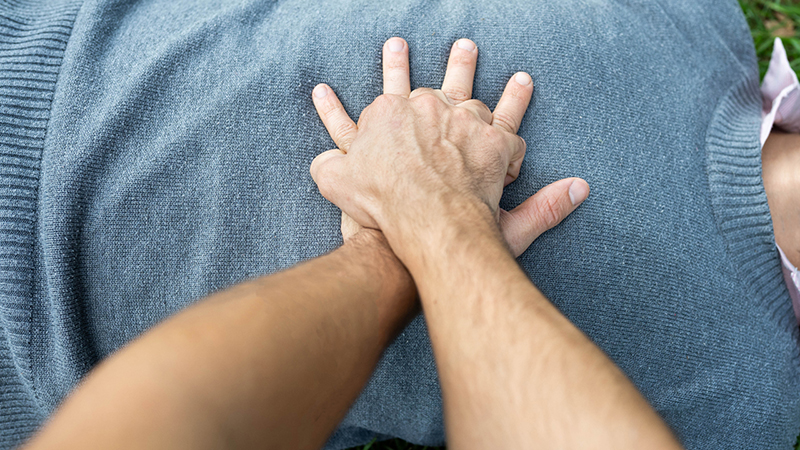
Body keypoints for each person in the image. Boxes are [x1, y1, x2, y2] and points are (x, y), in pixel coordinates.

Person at [0, 1, 798, 449]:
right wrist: (428, 230)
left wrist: (430, 227)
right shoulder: (694, 15)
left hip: (39, 361)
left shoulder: (744, 410)